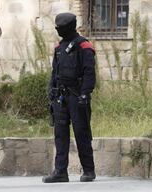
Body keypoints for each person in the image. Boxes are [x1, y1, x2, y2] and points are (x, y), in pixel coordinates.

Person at [43, 13, 96, 183]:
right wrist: (51, 91)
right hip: (61, 97)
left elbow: (89, 72)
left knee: (82, 133)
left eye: (60, 28)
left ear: (69, 27)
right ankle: (60, 172)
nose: (58, 31)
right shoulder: (59, 49)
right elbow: (54, 73)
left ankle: (89, 170)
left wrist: (85, 93)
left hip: (77, 96)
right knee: (60, 135)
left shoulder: (83, 45)